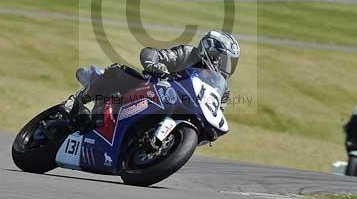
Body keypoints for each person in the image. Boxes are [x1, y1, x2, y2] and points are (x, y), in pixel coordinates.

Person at [64, 31, 240, 129]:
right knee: (118, 71)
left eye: (230, 62)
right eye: (223, 59)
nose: (224, 65)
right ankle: (74, 102)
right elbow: (151, 54)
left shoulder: (222, 89)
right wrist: (156, 66)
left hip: (179, 110)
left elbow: (217, 112)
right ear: (209, 51)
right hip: (151, 89)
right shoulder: (187, 53)